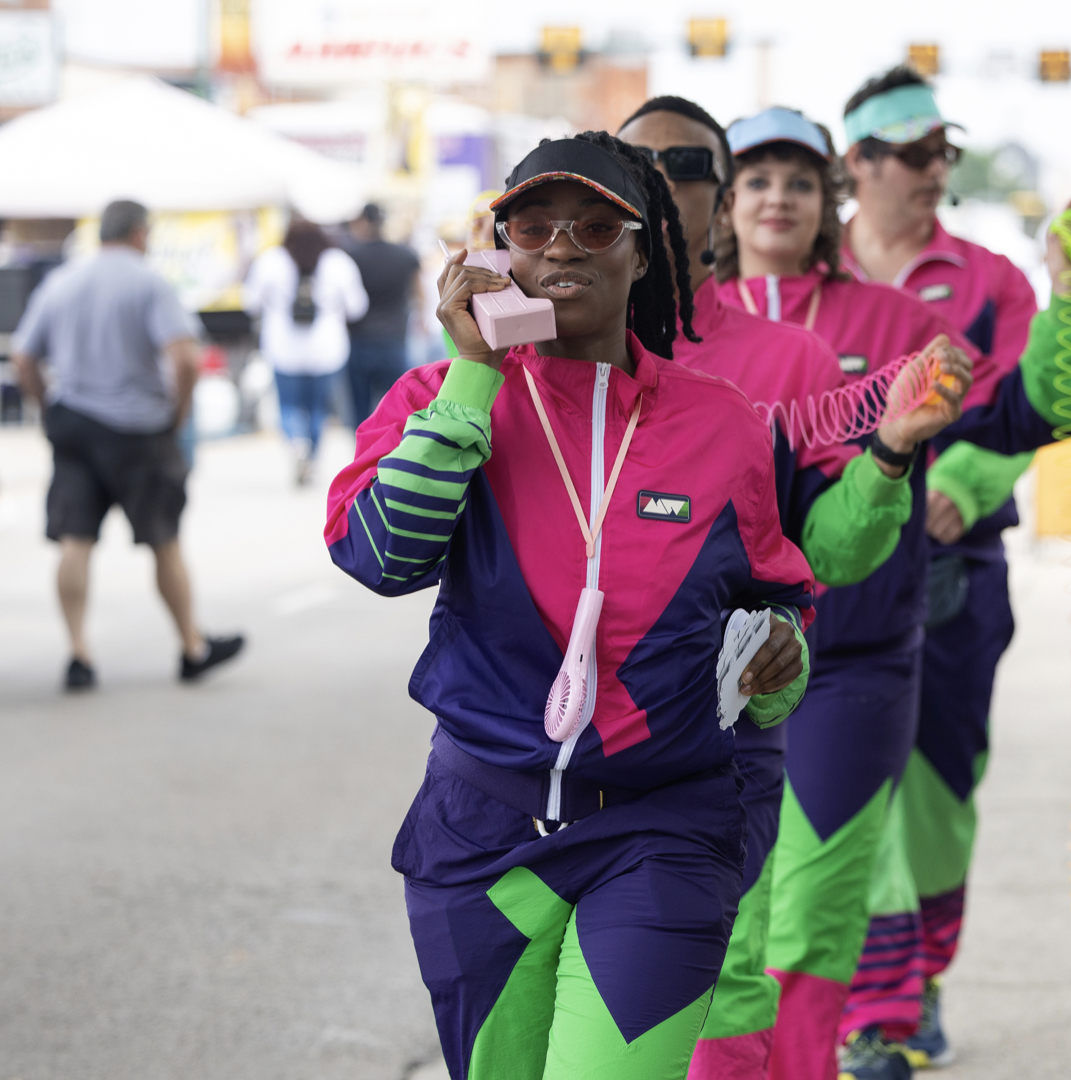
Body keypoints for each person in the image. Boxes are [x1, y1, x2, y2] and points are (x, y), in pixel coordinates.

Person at [327, 132, 820, 1080]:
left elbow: (778, 599)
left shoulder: (722, 422)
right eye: (533, 227)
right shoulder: (437, 397)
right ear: (498, 248)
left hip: (662, 832)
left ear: (644, 254)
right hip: (482, 833)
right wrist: (475, 371)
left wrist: (780, 659)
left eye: (597, 227)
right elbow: (382, 556)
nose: (562, 245)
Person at [712, 105, 1071, 1080]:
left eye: (799, 182)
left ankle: (860, 1031)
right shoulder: (682, 325)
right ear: (724, 202)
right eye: (757, 180)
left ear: (830, 200)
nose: (778, 199)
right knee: (719, 917)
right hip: (698, 666)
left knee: (813, 907)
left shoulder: (898, 325)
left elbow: (1029, 411)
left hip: (851, 659)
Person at [616, 96, 976, 1080]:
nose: (658, 188)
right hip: (587, 728)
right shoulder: (552, 344)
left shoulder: (807, 352)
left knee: (775, 936)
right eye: (632, 167)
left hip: (801, 680)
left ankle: (857, 1030)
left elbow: (828, 545)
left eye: (688, 167)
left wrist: (892, 455)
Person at [835, 68, 1063, 1070]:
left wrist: (962, 485)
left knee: (936, 785)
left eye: (945, 152)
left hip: (951, 568)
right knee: (841, 782)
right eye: (915, 153)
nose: (936, 169)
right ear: (858, 163)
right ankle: (871, 1001)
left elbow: (1025, 410)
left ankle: (915, 975)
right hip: (826, 570)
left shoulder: (991, 281)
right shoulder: (811, 275)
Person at [10, 199, 244, 690]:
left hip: (75, 423)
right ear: (140, 233)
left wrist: (47, 406)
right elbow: (185, 358)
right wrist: (177, 414)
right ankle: (191, 646)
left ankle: (78, 652)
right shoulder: (149, 282)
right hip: (139, 429)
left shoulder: (62, 281)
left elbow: (22, 357)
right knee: (163, 540)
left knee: (75, 540)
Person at [243, 216, 368, 485]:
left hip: (283, 350)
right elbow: (357, 307)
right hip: (327, 351)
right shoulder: (338, 262)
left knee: (288, 405)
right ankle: (311, 458)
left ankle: (296, 443)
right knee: (318, 409)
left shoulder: (270, 261)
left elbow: (250, 303)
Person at [342, 203, 421, 427]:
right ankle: (395, 447)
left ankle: (362, 448)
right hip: (395, 340)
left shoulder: (351, 256)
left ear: (363, 221)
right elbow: (418, 294)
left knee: (360, 410)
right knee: (397, 409)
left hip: (359, 340)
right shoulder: (405, 254)